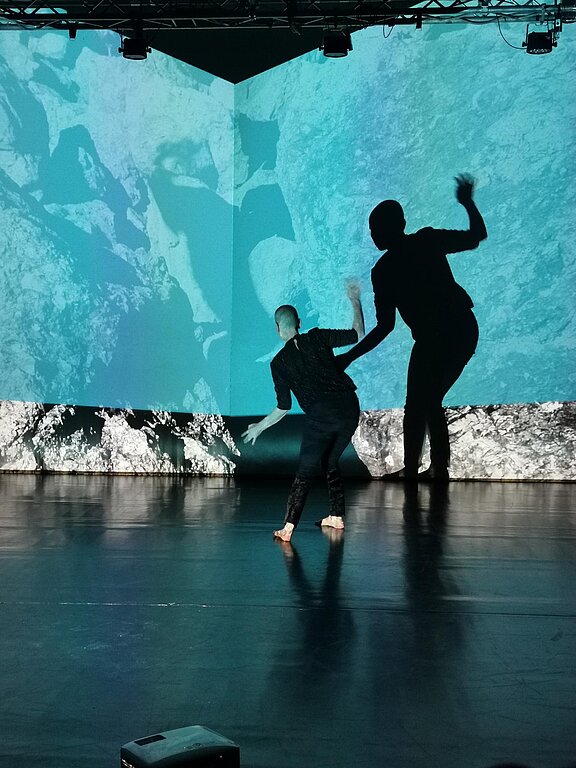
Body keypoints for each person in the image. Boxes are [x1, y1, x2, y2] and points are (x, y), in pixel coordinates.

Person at [338, 174, 487, 480]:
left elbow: (385, 326)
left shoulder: (399, 259)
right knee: (419, 403)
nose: (373, 235)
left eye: (376, 229)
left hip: (454, 331)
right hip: (441, 336)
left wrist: (350, 356)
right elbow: (476, 236)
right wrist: (468, 203)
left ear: (397, 226)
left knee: (426, 401)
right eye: (371, 230)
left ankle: (433, 470)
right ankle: (418, 469)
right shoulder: (404, 256)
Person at [242, 284, 365, 541]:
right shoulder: (317, 337)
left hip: (321, 418)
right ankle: (337, 516)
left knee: (305, 473)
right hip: (349, 409)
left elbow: (284, 408)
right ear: (299, 323)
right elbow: (358, 333)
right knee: (330, 462)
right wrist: (355, 299)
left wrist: (259, 427)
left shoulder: (279, 363)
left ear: (277, 329)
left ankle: (287, 529)